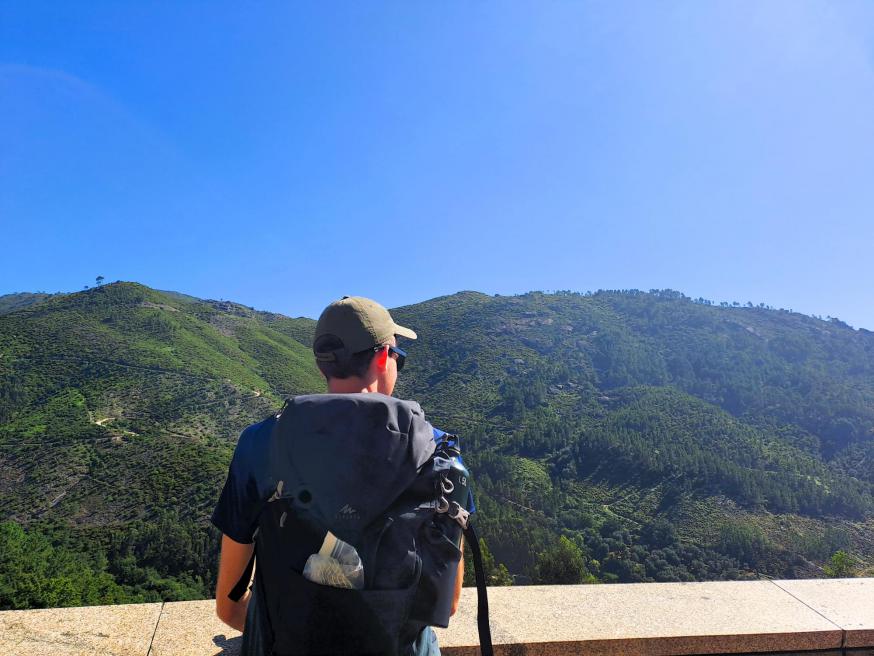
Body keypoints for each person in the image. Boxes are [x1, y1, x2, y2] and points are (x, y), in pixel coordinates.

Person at [212, 296, 466, 655]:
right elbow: (447, 604)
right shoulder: (439, 454)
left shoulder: (260, 445)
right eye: (398, 357)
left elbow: (228, 606)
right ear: (382, 358)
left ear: (322, 367)